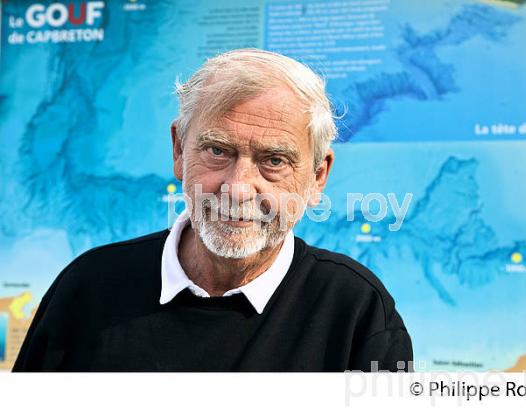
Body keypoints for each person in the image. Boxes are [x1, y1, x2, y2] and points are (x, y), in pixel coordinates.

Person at [13, 48, 412, 372]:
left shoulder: (357, 312)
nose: (238, 189)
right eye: (217, 151)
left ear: (317, 176)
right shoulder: (87, 288)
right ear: (179, 151)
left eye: (273, 160)